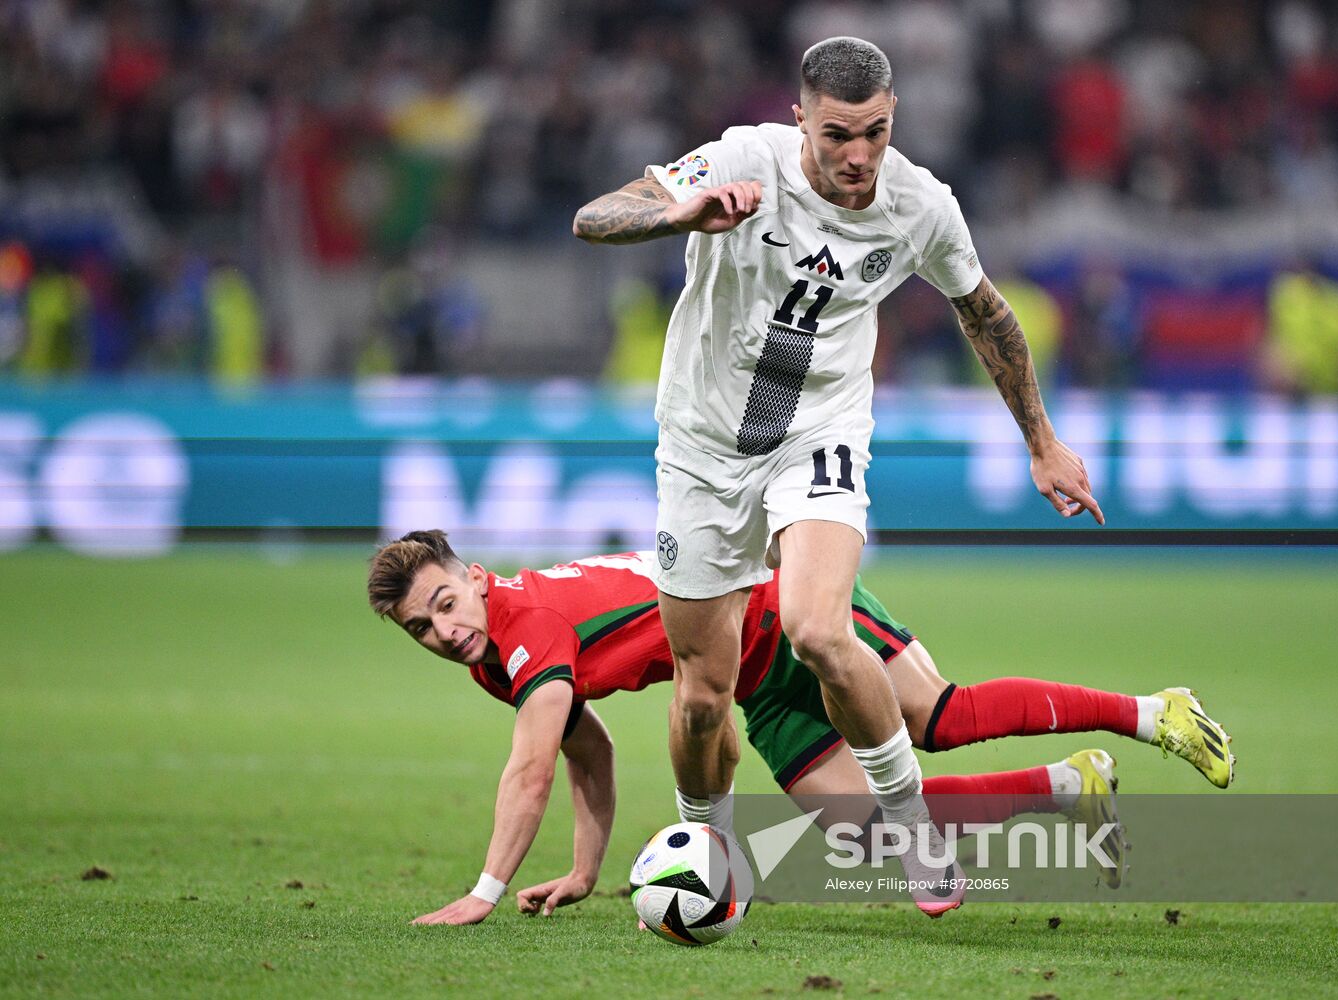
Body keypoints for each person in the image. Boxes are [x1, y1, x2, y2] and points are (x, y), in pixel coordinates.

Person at [572, 36, 1105, 916]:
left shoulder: (920, 205)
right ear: (799, 121)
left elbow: (985, 314)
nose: (858, 155)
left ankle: (911, 831)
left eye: (875, 133)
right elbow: (596, 217)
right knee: (702, 694)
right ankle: (705, 845)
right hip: (701, 450)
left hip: (817, 434)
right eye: (836, 135)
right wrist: (681, 213)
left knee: (817, 630)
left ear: (892, 117)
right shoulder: (741, 159)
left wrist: (1041, 440)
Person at [366, 530, 1234, 926]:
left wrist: (484, 892)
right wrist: (585, 872)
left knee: (939, 717)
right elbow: (587, 749)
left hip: (786, 611)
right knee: (861, 830)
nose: (443, 629)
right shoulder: (491, 656)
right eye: (420, 628)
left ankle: (1152, 712)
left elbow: (530, 770)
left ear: (475, 577)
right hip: (751, 680)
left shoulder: (526, 630)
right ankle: (1068, 786)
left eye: (445, 602)